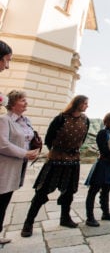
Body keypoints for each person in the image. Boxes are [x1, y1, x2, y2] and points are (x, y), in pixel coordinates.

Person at [21, 95, 90, 237]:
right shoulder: (61, 118)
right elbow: (48, 139)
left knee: (69, 192)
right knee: (41, 192)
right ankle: (28, 223)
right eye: (84, 103)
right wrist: (58, 151)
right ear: (77, 104)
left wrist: (71, 151)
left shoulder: (85, 120)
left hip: (73, 159)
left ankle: (65, 218)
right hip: (56, 159)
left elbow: (82, 139)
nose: (86, 106)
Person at [0, 91, 39, 245]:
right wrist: (25, 153)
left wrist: (34, 148)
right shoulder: (4, 120)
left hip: (18, 166)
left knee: (4, 201)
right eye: (23, 100)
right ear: (13, 103)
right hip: (4, 167)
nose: (26, 103)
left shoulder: (26, 120)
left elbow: (28, 139)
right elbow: (3, 144)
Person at [84, 112, 110, 227]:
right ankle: (90, 217)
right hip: (103, 164)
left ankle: (105, 213)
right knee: (93, 191)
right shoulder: (102, 133)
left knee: (106, 190)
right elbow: (104, 149)